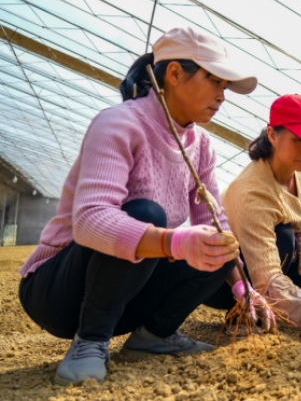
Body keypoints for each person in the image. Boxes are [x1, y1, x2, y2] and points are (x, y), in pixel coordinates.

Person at [16, 27, 256, 385]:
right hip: (59, 293)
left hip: (127, 293)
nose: (223, 95)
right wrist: (175, 242)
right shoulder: (119, 123)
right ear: (174, 74)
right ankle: (90, 341)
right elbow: (91, 221)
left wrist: (242, 290)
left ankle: (154, 336)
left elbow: (216, 224)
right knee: (146, 214)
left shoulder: (201, 144)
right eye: (215, 81)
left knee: (219, 243)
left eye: (226, 86)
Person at [205, 95, 301, 348]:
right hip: (230, 280)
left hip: (271, 267)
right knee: (284, 236)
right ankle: (247, 314)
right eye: (299, 139)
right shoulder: (252, 193)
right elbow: (266, 281)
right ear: (273, 135)